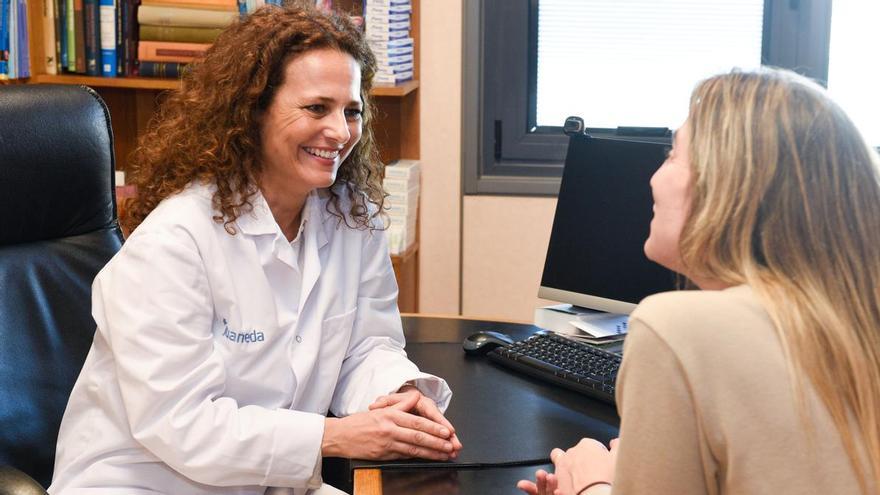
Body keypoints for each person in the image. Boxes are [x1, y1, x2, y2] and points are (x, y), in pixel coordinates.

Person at [48, 4, 461, 494]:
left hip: (265, 478)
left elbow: (366, 345)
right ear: (254, 111)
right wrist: (335, 436)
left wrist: (395, 395)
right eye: (316, 108)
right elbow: (181, 425)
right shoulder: (175, 242)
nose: (340, 131)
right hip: (145, 480)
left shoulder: (352, 218)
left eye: (352, 110)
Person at [518, 67, 880, 495]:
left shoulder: (677, 327)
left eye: (671, 156)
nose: (653, 177)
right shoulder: (850, 322)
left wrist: (589, 483)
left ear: (727, 187)